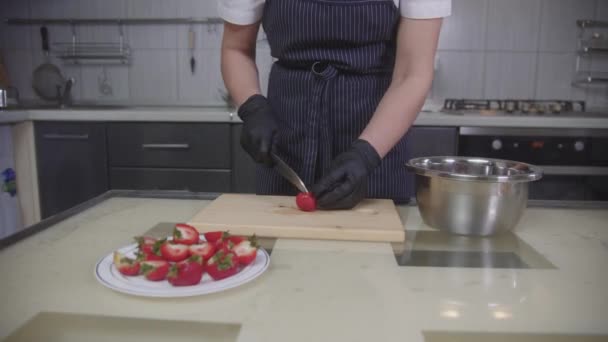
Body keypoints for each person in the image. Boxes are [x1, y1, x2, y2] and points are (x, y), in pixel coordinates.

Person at [219, 0, 451, 209]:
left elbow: (413, 73)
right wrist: (253, 106)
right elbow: (236, 49)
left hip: (379, 145)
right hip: (287, 143)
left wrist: (365, 155)